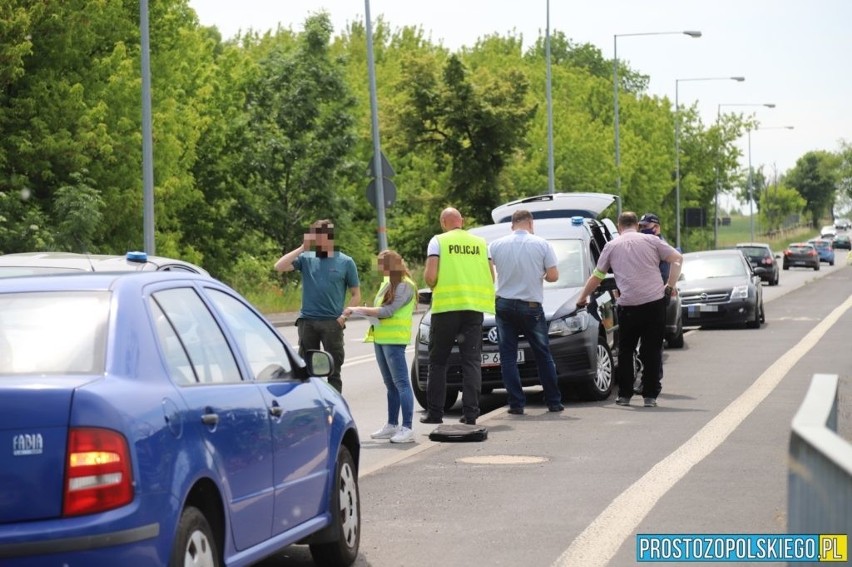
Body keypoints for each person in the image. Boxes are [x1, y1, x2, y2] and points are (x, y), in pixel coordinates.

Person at [576, 211, 682, 408]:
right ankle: (650, 396)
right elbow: (677, 259)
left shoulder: (612, 246)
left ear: (619, 226)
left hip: (628, 306)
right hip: (654, 303)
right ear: (636, 224)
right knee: (652, 350)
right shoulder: (652, 241)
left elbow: (598, 276)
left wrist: (582, 297)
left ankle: (624, 395)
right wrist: (670, 286)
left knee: (626, 350)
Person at [421, 207, 495, 425]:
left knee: (438, 362)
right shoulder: (482, 243)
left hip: (446, 310)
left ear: (443, 222)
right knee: (471, 362)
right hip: (473, 310)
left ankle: (435, 413)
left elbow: (431, 277)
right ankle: (471, 414)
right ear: (461, 221)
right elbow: (491, 276)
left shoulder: (438, 241)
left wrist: (431, 281)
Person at [488, 209, 564, 414]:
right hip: (531, 307)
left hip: (504, 305)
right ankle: (553, 401)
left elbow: (489, 275)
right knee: (542, 354)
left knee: (508, 356)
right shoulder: (542, 244)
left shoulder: (495, 245)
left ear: (512, 225)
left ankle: (516, 404)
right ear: (531, 224)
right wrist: (541, 276)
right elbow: (553, 276)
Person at [274, 219, 361, 393]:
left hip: (332, 323)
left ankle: (335, 403)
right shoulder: (306, 258)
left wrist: (343, 317)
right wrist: (301, 248)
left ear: (329, 238)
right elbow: (279, 266)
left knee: (333, 369)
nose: (317, 241)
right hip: (308, 322)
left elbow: (356, 295)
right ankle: (312, 401)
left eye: (320, 237)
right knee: (308, 369)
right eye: (314, 237)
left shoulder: (345, 262)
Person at [344, 250, 417, 443]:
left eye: (381, 264)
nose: (379, 268)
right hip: (381, 338)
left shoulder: (405, 286)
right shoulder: (388, 282)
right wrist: (368, 311)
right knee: (390, 385)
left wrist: (359, 309)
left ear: (391, 265)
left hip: (394, 341)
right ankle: (392, 425)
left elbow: (387, 311)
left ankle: (407, 428)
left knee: (401, 384)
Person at [636, 212, 671, 392]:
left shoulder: (661, 246)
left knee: (652, 345)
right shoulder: (648, 244)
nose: (642, 230)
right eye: (640, 227)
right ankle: (650, 379)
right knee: (646, 346)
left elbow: (664, 274)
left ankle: (651, 381)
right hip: (645, 298)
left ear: (656, 227)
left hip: (656, 298)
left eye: (645, 227)